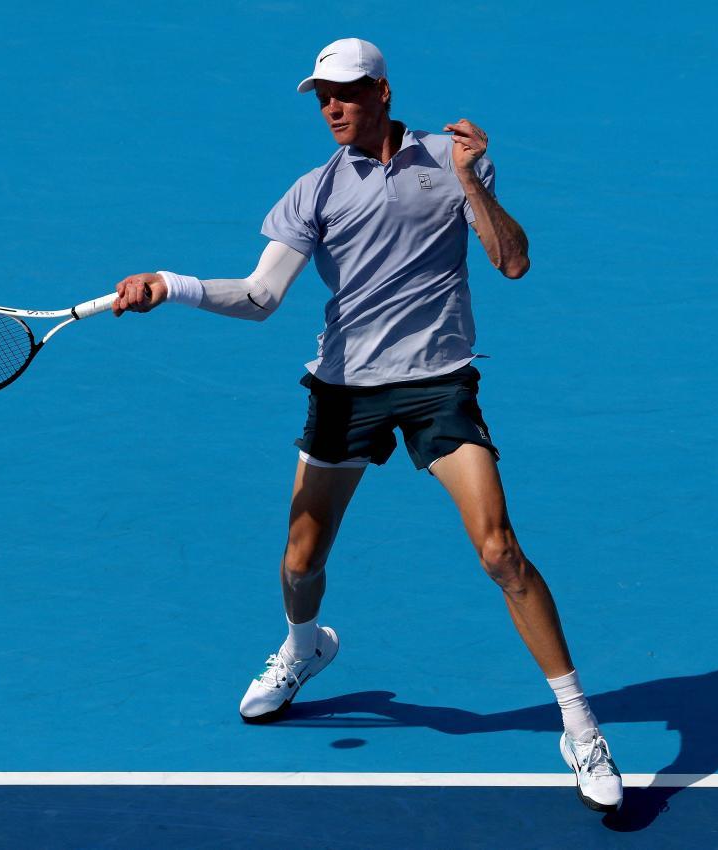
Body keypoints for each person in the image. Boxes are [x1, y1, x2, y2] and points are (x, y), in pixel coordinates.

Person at [111, 38, 622, 812]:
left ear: (383, 91)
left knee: (499, 550)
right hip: (345, 392)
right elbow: (259, 297)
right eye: (320, 96)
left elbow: (511, 262)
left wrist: (466, 182)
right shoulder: (312, 191)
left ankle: (580, 726)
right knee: (299, 558)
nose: (330, 108)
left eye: (344, 93)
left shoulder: (452, 156)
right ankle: (303, 645)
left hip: (437, 385)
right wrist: (170, 284)